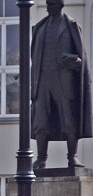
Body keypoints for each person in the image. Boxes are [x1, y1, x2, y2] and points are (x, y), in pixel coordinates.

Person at [31, 0, 93, 168]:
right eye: (47, 3)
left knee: (69, 121)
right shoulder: (39, 28)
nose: (48, 6)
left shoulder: (71, 26)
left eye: (51, 3)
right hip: (43, 82)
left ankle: (72, 157)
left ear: (60, 4)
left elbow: (82, 59)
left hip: (64, 82)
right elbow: (33, 59)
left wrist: (76, 61)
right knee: (40, 122)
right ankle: (41, 158)